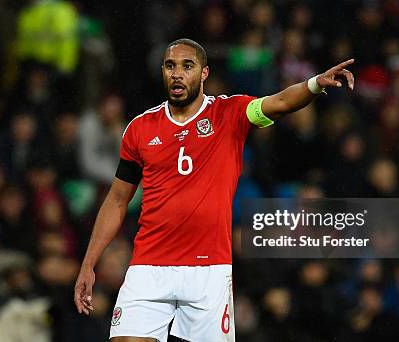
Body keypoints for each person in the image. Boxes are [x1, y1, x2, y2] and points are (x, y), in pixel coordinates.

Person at [74, 38, 355, 342]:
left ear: (204, 73)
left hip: (208, 269)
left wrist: (314, 84)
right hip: (149, 266)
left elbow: (282, 102)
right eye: (170, 66)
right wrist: (89, 263)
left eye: (187, 65)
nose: (177, 73)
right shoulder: (140, 129)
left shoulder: (230, 113)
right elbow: (116, 201)